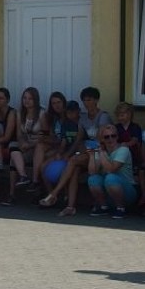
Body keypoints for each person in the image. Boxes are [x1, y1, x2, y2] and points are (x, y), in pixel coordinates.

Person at [39, 87, 112, 217]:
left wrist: (77, 153)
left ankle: (54, 194)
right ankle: (70, 207)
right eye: (84, 100)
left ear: (96, 100)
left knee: (72, 161)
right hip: (86, 153)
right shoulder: (83, 118)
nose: (86, 103)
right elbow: (78, 139)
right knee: (74, 169)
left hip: (101, 153)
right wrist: (67, 154)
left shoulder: (103, 116)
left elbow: (102, 139)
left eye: (89, 100)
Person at [86, 124, 137, 219]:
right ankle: (103, 206)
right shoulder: (101, 151)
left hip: (127, 192)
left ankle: (121, 208)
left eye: (113, 136)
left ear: (117, 137)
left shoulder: (123, 150)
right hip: (109, 192)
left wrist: (101, 153)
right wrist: (92, 156)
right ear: (102, 139)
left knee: (110, 177)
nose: (110, 139)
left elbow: (111, 169)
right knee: (92, 179)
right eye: (106, 137)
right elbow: (92, 172)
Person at [8, 87, 45, 194]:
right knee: (13, 147)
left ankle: (33, 181)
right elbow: (19, 134)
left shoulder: (42, 113)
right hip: (25, 144)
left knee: (13, 160)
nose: (26, 101)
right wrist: (22, 143)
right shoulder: (20, 113)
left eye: (30, 98)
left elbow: (46, 134)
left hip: (37, 145)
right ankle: (23, 176)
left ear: (36, 100)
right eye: (24, 98)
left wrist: (30, 144)